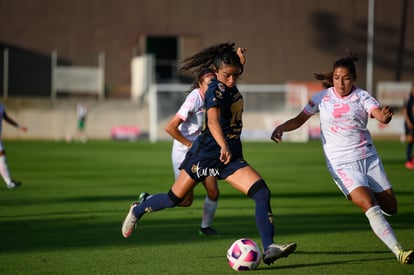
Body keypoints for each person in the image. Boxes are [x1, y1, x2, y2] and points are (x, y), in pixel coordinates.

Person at [122, 42, 296, 265]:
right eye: (227, 75)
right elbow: (212, 120)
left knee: (261, 192)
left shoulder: (229, 78)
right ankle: (138, 210)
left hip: (230, 158)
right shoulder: (214, 88)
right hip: (205, 156)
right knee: (175, 199)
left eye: (235, 75)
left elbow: (232, 71)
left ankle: (269, 247)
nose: (232, 80)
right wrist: (223, 144)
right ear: (216, 73)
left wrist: (240, 61)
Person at [270, 52, 413, 264]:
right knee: (369, 204)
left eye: (345, 78)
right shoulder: (322, 98)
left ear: (353, 78)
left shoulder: (362, 96)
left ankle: (372, 198)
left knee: (391, 207)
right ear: (332, 78)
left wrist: (384, 115)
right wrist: (281, 127)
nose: (341, 82)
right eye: (337, 77)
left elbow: (377, 113)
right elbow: (300, 119)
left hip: (368, 158)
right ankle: (399, 251)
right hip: (341, 164)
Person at [163, 67, 220, 236]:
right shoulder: (195, 98)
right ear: (200, 84)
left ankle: (205, 227)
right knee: (184, 200)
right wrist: (189, 145)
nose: (213, 86)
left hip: (202, 152)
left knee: (213, 191)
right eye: (209, 83)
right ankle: (148, 200)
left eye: (214, 82)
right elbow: (170, 127)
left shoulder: (214, 98)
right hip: (183, 152)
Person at [0, 103, 27, 189]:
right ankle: (9, 182)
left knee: (1, 157)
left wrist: (18, 126)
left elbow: (6, 118)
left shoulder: (1, 106)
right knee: (1, 157)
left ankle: (9, 182)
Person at [403, 84, 414, 169]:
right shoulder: (408, 98)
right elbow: (405, 111)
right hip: (410, 123)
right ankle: (408, 160)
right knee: (410, 141)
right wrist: (408, 122)